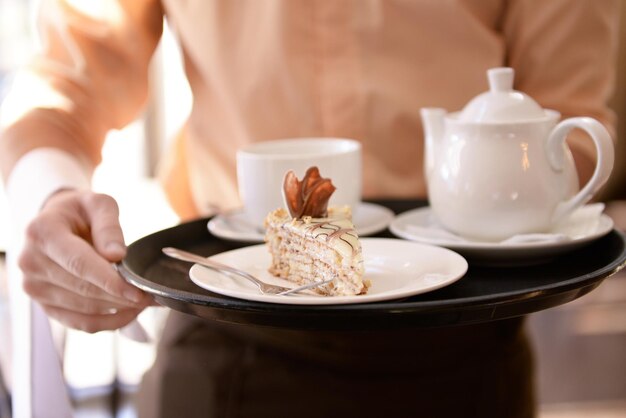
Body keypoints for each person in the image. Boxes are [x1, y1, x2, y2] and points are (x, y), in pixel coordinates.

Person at [0, 1, 620, 417]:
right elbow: (66, 83)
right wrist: (50, 195)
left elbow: (568, 112)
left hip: (465, 351)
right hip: (225, 349)